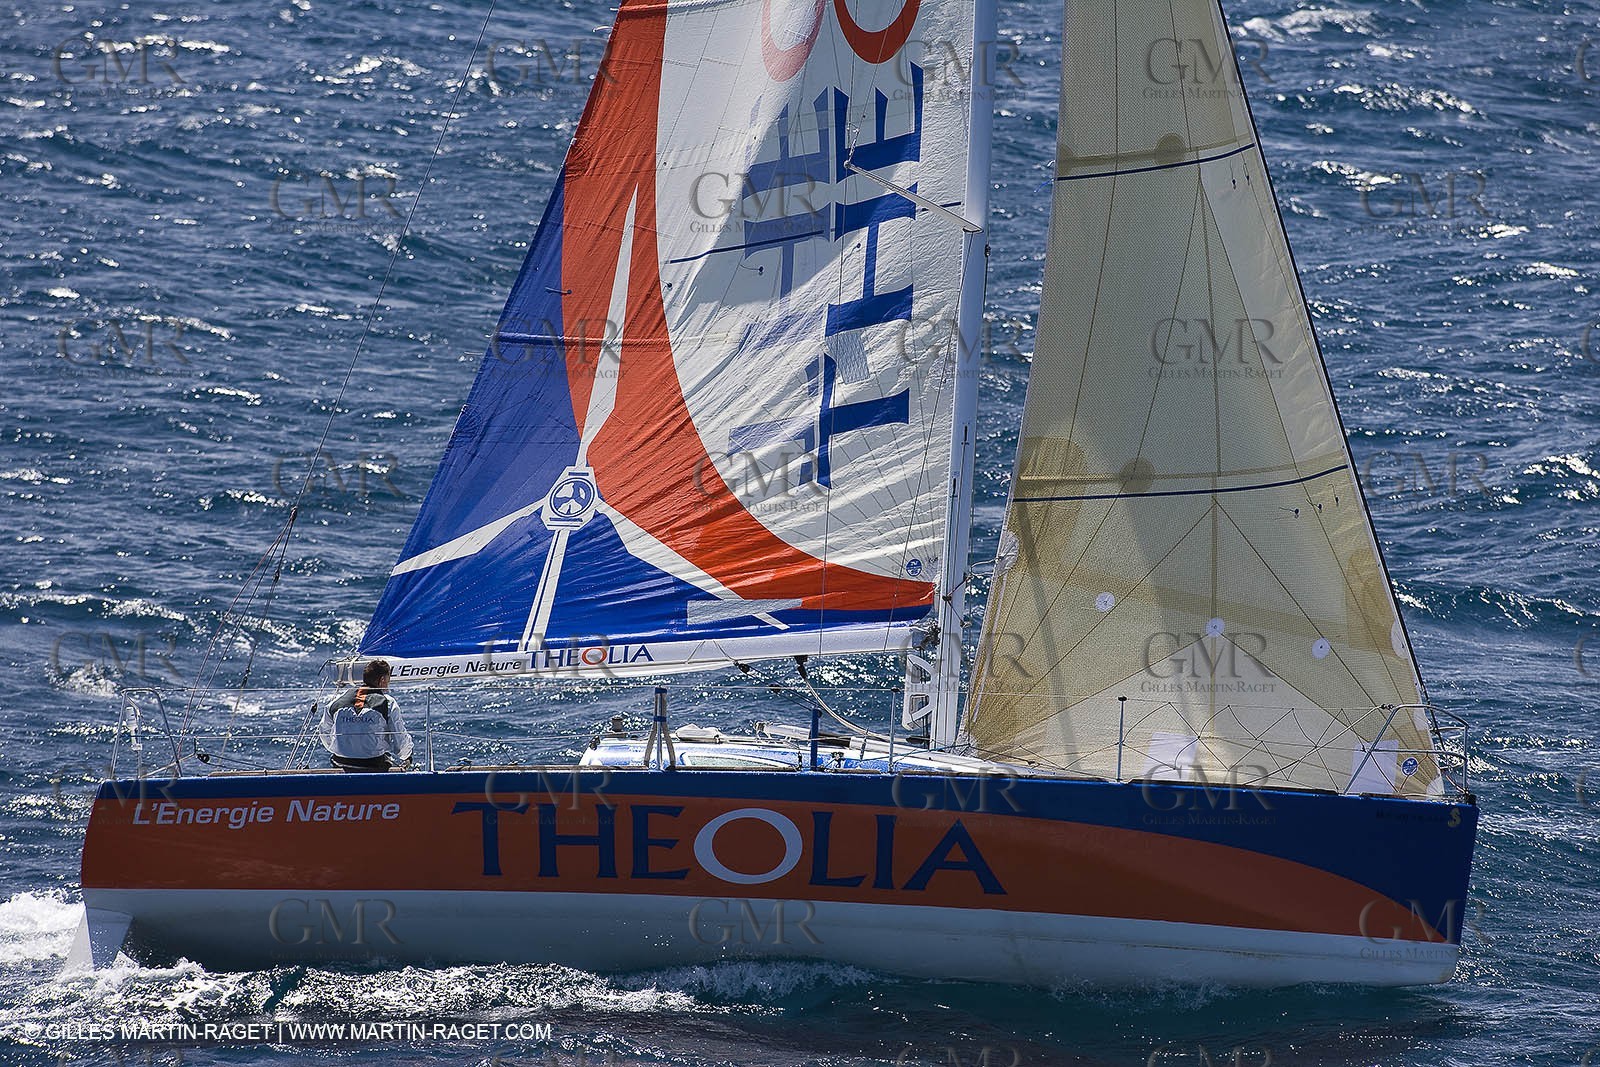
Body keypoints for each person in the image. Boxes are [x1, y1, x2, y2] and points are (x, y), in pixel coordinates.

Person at [320, 659, 414, 771]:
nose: (388, 686)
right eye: (388, 681)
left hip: (340, 762)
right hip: (372, 764)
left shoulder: (336, 702)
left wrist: (340, 748)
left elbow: (324, 731)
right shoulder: (388, 703)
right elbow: (400, 739)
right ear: (382, 680)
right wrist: (407, 756)